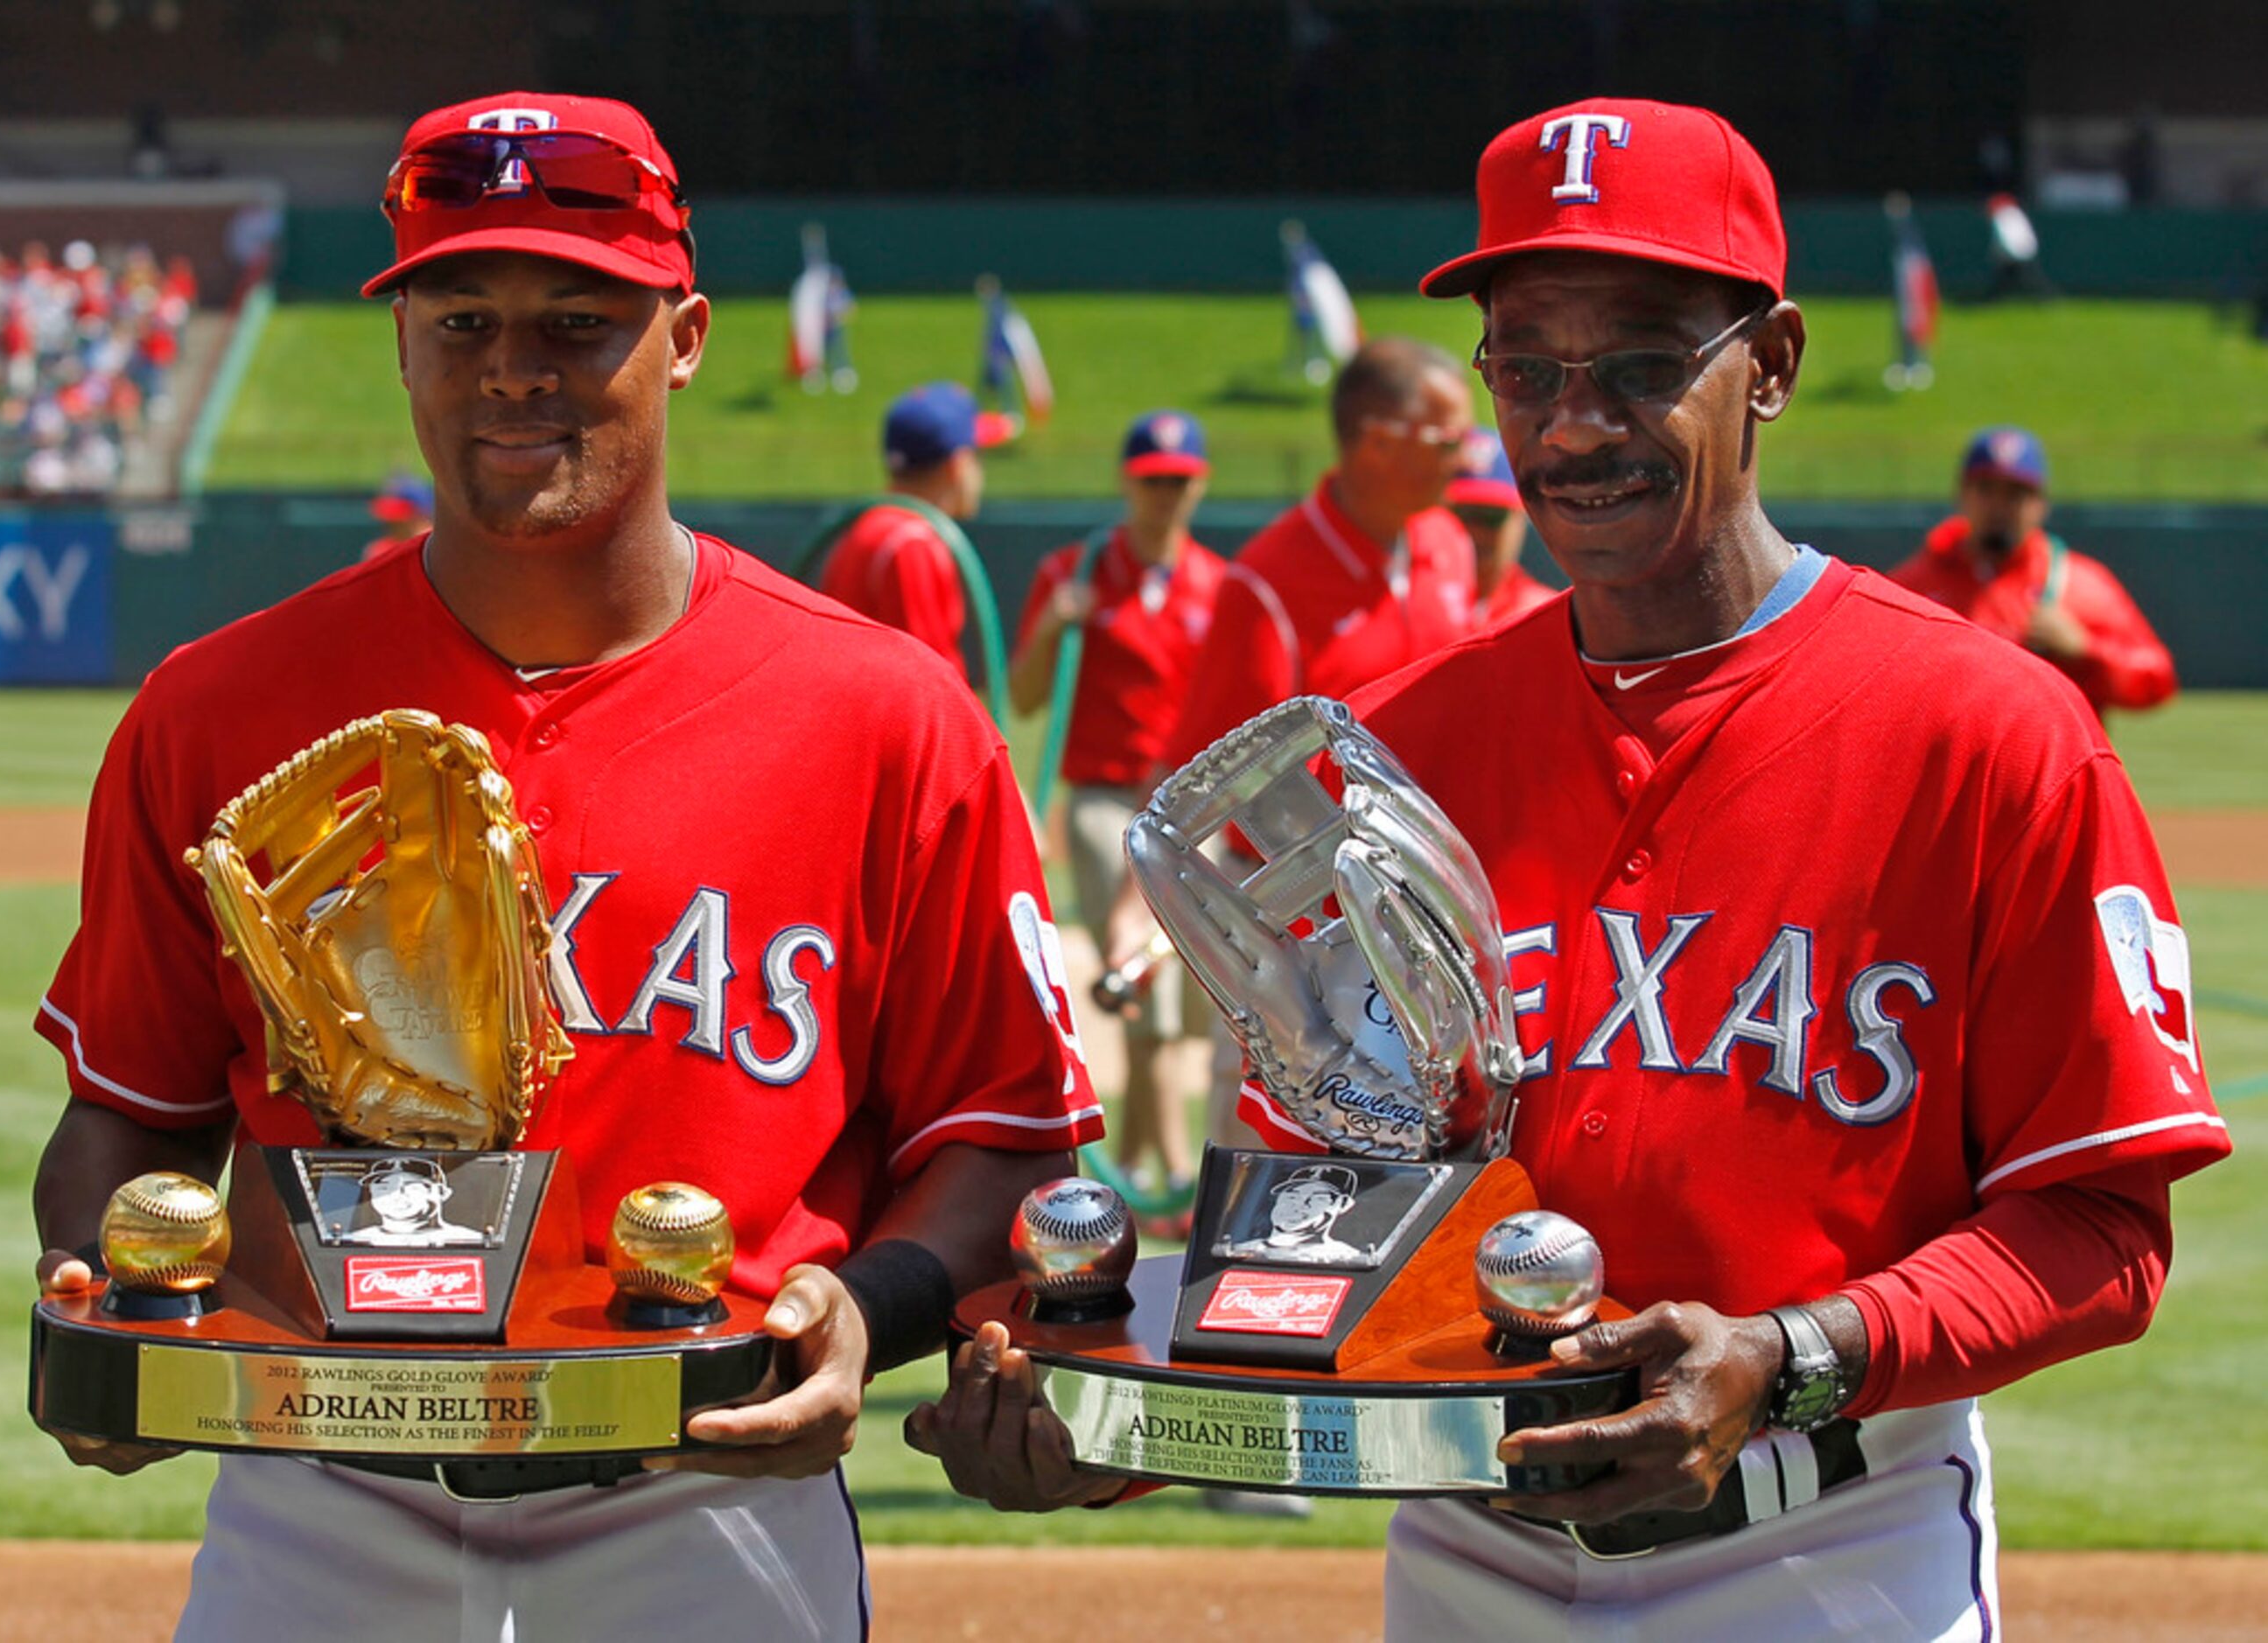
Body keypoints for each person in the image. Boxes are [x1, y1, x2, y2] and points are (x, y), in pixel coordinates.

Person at [908, 98, 2230, 1640]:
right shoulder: (1388, 760)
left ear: (1775, 363)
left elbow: (2099, 1229)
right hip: (1468, 1559)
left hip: (1826, 1547)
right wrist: (1113, 1440)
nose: (1572, 424)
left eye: (1640, 365)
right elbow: (1317, 1241)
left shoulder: (1987, 733)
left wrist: (1791, 1351)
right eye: (1524, 367)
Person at [32, 90, 1100, 1642]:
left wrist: (862, 1312)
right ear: (398, 342)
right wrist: (110, 1304)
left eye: (578, 318)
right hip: (317, 1494)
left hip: (702, 1496)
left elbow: (1003, 1134)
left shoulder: (882, 717)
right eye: (459, 316)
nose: (512, 367)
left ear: (685, 335)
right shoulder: (218, 711)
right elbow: (127, 1109)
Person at [1111, 337, 1480, 1155]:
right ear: (1378, 439)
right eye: (1447, 436)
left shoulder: (1447, 547)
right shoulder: (1269, 580)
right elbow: (1208, 776)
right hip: (1305, 914)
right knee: (1271, 1116)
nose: (1469, 453)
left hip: (1432, 891)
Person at [1009, 410, 1226, 1214]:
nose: (1164, 496)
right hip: (1104, 801)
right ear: (1126, 481)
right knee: (1140, 982)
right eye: (1151, 481)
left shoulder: (1216, 584)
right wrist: (1053, 627)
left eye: (1177, 481)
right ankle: (1167, 1168)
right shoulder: (1078, 570)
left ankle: (1141, 1162)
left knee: (1173, 986)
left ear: (1198, 484)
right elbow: (1028, 696)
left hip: (1186, 810)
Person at [1889, 427, 2177, 717]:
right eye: (1986, 489)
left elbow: (2157, 680)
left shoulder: (2075, 583)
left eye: (2016, 494)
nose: (1999, 507)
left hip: (2050, 759)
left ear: (2040, 505)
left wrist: (2086, 652)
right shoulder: (1911, 588)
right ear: (1962, 495)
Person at [817, 381, 998, 677]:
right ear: (957, 466)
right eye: (977, 457)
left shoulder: (868, 527)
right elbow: (933, 686)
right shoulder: (913, 543)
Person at [1446, 428, 1554, 628]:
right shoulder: (1401, 601)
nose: (1474, 532)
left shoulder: (1546, 619)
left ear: (1521, 519)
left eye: (1491, 517)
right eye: (1462, 515)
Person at [1219, 1162, 1362, 1263]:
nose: (1299, 1205)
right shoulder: (1235, 1251)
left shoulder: (1348, 1258)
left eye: (1318, 1198)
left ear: (1343, 1204)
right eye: (1292, 1195)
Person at [349, 1157, 481, 1247]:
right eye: (385, 1187)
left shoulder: (469, 1240)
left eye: (412, 1187)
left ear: (442, 1193)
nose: (396, 1195)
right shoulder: (354, 1240)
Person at [362, 471, 433, 563]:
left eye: (399, 522)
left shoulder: (434, 548)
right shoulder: (380, 550)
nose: (392, 526)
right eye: (391, 522)